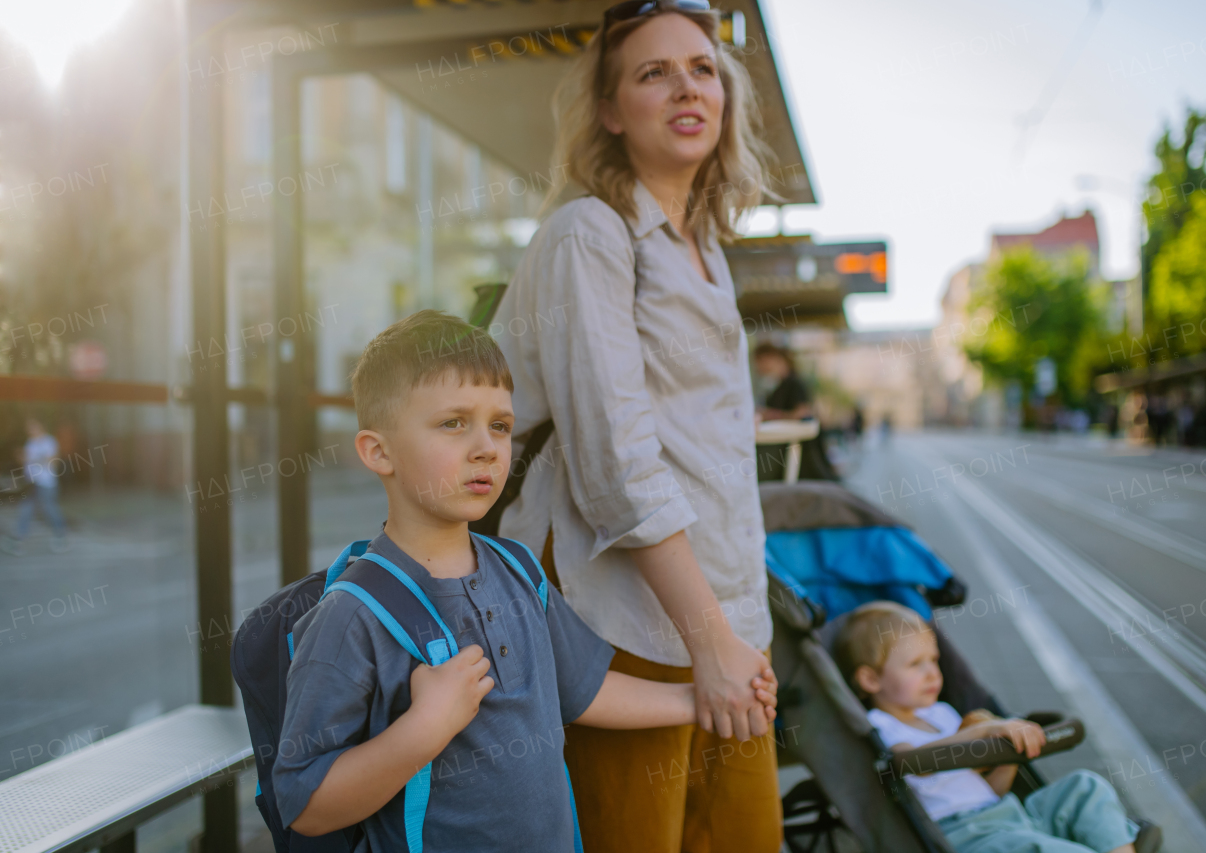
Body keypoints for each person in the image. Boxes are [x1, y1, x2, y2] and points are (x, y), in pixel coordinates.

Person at [272, 311, 778, 848]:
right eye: (452, 423)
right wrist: (426, 727)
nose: (486, 446)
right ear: (379, 451)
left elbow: (581, 690)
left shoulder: (518, 569)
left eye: (500, 425)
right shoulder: (355, 613)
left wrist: (701, 701)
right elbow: (306, 805)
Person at [491, 2, 783, 849]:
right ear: (611, 112)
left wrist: (734, 634)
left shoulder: (703, 246)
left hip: (726, 614)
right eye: (652, 72)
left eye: (700, 68)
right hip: (623, 618)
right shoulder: (590, 233)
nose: (685, 86)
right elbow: (614, 464)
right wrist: (712, 640)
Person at [835, 602, 1158, 853]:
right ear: (871, 679)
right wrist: (980, 732)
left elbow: (987, 792)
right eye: (915, 664)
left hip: (1006, 814)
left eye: (933, 660)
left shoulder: (943, 714)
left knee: (1084, 786)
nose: (933, 673)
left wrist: (1006, 756)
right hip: (966, 836)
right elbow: (915, 761)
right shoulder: (880, 727)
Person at [754, 342, 838, 481]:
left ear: (772, 358)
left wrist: (768, 414)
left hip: (800, 458)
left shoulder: (794, 383)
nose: (758, 367)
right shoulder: (778, 385)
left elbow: (802, 413)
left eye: (760, 361)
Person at [3, 417, 70, 555]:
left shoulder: (49, 441)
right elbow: (27, 464)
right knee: (25, 510)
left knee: (50, 510)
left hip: (47, 483)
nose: (29, 430)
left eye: (32, 426)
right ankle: (18, 542)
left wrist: (31, 458)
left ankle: (61, 536)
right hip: (31, 483)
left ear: (40, 426)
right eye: (28, 427)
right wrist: (20, 457)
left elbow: (53, 461)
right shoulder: (30, 443)